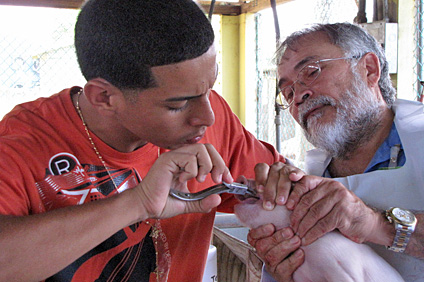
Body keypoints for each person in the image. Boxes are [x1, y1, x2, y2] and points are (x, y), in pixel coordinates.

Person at [0, 0, 288, 281]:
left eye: (210, 89)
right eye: (177, 105)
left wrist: (311, 194)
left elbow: (284, 184)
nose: (208, 116)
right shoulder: (23, 142)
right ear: (104, 97)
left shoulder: (206, 118)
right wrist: (137, 203)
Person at [248, 22, 424, 282]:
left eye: (312, 71)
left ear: (369, 69)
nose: (299, 96)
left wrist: (375, 225)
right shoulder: (306, 182)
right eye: (288, 92)